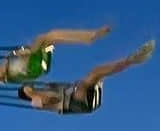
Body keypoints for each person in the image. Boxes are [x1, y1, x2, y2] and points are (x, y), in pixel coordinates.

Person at [18, 40, 154, 114]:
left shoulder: (46, 87)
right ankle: (130, 61)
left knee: (97, 72)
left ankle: (130, 60)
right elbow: (52, 100)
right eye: (30, 87)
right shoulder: (35, 101)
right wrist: (30, 93)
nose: (34, 85)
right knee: (89, 79)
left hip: (78, 97)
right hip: (76, 104)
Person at [0, 25, 111, 83]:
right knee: (43, 38)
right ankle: (88, 37)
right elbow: (5, 72)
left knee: (51, 36)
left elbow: (8, 69)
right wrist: (15, 53)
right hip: (32, 66)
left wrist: (16, 54)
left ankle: (87, 37)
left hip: (35, 67)